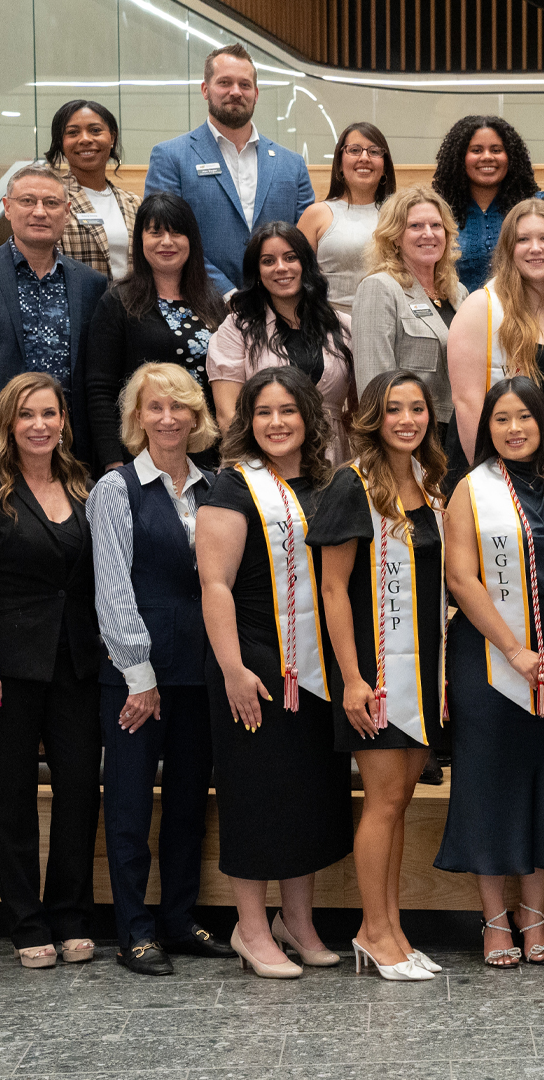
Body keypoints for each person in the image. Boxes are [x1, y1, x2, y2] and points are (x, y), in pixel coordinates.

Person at [197, 367, 354, 980]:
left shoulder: (326, 484)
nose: (276, 422)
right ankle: (251, 928)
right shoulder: (234, 486)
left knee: (308, 796)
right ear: (248, 421)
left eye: (288, 410)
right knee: (257, 798)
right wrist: (232, 669)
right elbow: (215, 585)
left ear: (309, 418)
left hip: (312, 667)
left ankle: (297, 921)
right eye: (263, 412)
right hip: (254, 662)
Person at [440, 376, 544, 970]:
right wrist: (512, 650)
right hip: (489, 664)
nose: (513, 428)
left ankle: (534, 916)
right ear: (488, 428)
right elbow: (461, 578)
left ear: (543, 422)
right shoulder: (470, 489)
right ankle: (494, 920)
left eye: (524, 416)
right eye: (501, 418)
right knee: (490, 787)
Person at [0, 372, 102, 969]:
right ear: (8, 424)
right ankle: (26, 922)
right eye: (26, 415)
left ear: (63, 420)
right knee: (12, 798)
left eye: (49, 413)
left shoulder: (82, 483)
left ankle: (70, 915)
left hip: (77, 666)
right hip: (7, 670)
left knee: (78, 793)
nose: (39, 425)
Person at [91, 363, 231, 976]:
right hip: (136, 679)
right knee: (129, 807)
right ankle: (134, 931)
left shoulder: (214, 487)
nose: (168, 418)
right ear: (137, 417)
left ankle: (177, 918)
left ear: (197, 416)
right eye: (155, 407)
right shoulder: (115, 488)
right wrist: (139, 676)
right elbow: (112, 588)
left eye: (180, 406)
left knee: (187, 805)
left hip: (199, 673)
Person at [313, 370, 448, 982]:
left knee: (397, 803)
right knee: (384, 801)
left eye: (417, 408)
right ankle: (372, 930)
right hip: (376, 674)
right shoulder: (352, 484)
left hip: (420, 672)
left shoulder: (429, 483)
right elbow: (333, 588)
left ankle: (391, 929)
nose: (407, 420)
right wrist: (352, 678)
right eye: (394, 409)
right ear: (373, 417)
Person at [0, 164, 108, 458]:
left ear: (66, 212)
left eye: (51, 203)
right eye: (27, 201)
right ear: (7, 208)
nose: (40, 212)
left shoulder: (91, 284)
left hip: (64, 449)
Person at [145, 43, 315, 294]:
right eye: (224, 83)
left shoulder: (292, 164)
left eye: (244, 85)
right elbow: (165, 239)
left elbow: (304, 241)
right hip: (201, 302)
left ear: (256, 93)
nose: (235, 92)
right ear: (205, 90)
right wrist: (227, 293)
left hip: (277, 303)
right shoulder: (170, 157)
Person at [447, 198, 544, 470]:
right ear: (508, 248)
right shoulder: (481, 308)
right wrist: (491, 477)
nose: (535, 248)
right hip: (498, 469)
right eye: (523, 239)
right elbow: (467, 403)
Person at [85, 192, 228, 468]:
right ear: (140, 240)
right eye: (156, 232)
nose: (167, 242)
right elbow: (100, 390)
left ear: (192, 240)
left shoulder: (213, 302)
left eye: (176, 232)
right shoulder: (118, 302)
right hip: (139, 454)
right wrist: (113, 461)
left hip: (205, 452)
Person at [207, 222, 355, 464]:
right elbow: (228, 415)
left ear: (306, 263)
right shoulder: (236, 329)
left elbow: (358, 412)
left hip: (333, 463)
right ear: (257, 272)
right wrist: (257, 473)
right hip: (261, 462)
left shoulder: (343, 326)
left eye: (290, 257)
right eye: (268, 261)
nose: (281, 267)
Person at [351, 186, 467, 458]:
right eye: (415, 226)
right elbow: (373, 383)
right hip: (409, 437)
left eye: (436, 225)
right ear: (395, 237)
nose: (428, 233)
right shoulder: (380, 288)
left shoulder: (458, 293)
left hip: (459, 432)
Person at [432, 115, 544, 295]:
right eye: (476, 150)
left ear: (511, 156)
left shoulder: (539, 206)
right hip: (455, 310)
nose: (487, 157)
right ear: (460, 157)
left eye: (496, 150)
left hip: (524, 310)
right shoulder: (436, 210)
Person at [298, 122, 396, 316]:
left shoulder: (398, 215)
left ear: (385, 166)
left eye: (374, 151)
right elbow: (298, 279)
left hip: (387, 321)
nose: (364, 158)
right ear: (339, 164)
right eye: (354, 150)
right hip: (328, 325)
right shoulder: (316, 214)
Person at [46, 99, 140, 281]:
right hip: (77, 299)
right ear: (61, 143)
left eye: (95, 130)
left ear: (112, 138)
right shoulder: (50, 201)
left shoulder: (135, 203)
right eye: (73, 133)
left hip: (131, 299)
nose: (85, 139)